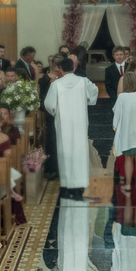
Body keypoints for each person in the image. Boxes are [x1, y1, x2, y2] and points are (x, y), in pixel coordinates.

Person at [43, 56, 98, 196]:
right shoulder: (83, 81)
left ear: (61, 69)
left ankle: (67, 182)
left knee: (65, 150)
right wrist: (85, 101)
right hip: (80, 121)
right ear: (73, 68)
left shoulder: (56, 84)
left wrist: (56, 113)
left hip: (63, 123)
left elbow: (49, 104)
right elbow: (94, 93)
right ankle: (80, 182)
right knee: (80, 150)